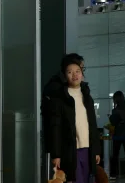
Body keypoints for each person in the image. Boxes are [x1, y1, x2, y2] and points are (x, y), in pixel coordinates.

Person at [46, 55, 101, 183]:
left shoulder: (87, 97)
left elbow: (92, 125)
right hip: (70, 150)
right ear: (65, 75)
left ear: (82, 74)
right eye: (69, 72)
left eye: (77, 71)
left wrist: (96, 151)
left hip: (88, 149)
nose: (74, 75)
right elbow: (56, 127)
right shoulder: (60, 99)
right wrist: (56, 154)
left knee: (88, 179)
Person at [109, 91, 125, 179]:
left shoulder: (115, 110)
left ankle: (113, 174)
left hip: (118, 134)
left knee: (115, 154)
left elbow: (113, 122)